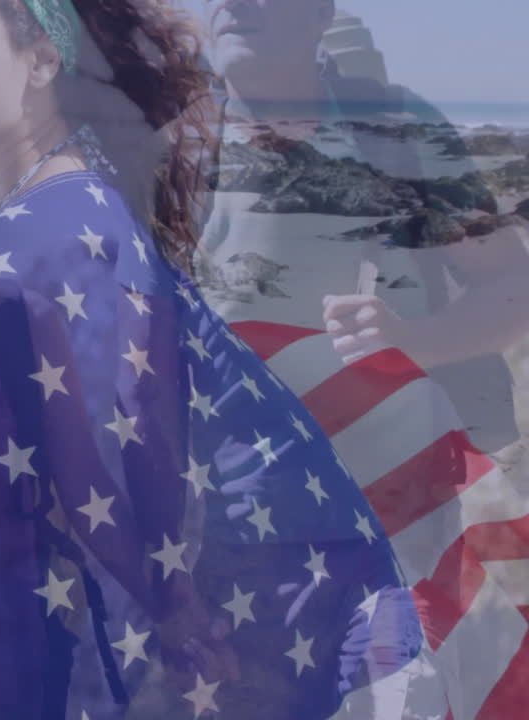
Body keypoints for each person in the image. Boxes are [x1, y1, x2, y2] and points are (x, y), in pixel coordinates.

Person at [0, 1, 425, 718]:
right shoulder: (62, 208)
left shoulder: (63, 221)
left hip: (230, 606)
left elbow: (114, 448)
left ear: (40, 60)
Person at [195, 1, 529, 715]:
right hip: (226, 515)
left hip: (389, 508)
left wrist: (419, 341)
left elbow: (511, 281)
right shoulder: (170, 134)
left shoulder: (391, 129)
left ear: (318, 13)